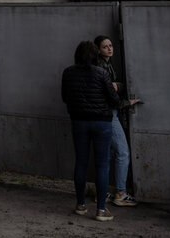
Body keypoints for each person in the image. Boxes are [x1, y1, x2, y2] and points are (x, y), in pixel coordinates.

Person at [61, 40, 122, 222]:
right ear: (95, 55)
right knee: (102, 164)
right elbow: (114, 100)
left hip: (79, 122)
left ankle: (80, 205)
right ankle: (101, 210)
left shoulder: (68, 72)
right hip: (102, 123)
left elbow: (65, 97)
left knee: (81, 162)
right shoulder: (102, 73)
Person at [94, 35, 142, 207]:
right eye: (105, 46)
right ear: (98, 50)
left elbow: (114, 88)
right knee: (122, 152)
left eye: (110, 45)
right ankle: (120, 193)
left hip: (104, 114)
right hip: (109, 114)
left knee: (107, 155)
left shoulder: (107, 64)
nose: (109, 49)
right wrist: (127, 102)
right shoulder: (100, 67)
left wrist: (118, 86)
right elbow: (109, 94)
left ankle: (103, 192)